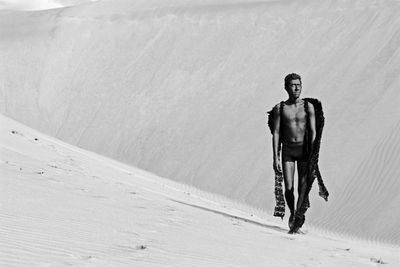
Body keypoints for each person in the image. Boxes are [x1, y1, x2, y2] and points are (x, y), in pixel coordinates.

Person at [271, 73, 316, 233]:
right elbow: (276, 133)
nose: (297, 88)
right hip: (288, 151)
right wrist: (275, 156)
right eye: (293, 85)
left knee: (302, 187)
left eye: (299, 84)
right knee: (289, 188)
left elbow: (312, 131)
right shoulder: (280, 108)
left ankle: (297, 217)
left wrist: (313, 154)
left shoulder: (308, 107)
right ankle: (292, 212)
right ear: (286, 87)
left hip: (304, 150)